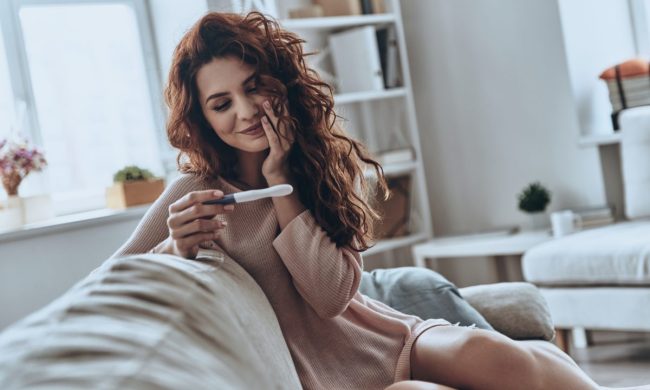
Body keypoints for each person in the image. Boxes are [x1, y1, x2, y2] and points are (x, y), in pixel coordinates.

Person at [112, 11, 648, 390]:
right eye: (222, 103)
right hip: (322, 378)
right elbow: (111, 285)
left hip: (382, 335)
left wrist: (283, 182)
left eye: (254, 86)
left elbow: (337, 294)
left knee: (510, 357)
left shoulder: (317, 166)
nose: (246, 111)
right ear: (202, 118)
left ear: (279, 82)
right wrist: (174, 251)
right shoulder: (194, 192)